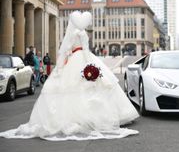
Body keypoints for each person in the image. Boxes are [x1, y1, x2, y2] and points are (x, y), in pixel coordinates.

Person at [0, 11, 139, 141]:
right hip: (84, 57)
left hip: (74, 58)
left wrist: (61, 66)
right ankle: (97, 118)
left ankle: (74, 118)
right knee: (93, 86)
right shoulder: (83, 33)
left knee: (69, 87)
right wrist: (90, 63)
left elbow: (66, 50)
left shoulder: (72, 34)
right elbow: (85, 49)